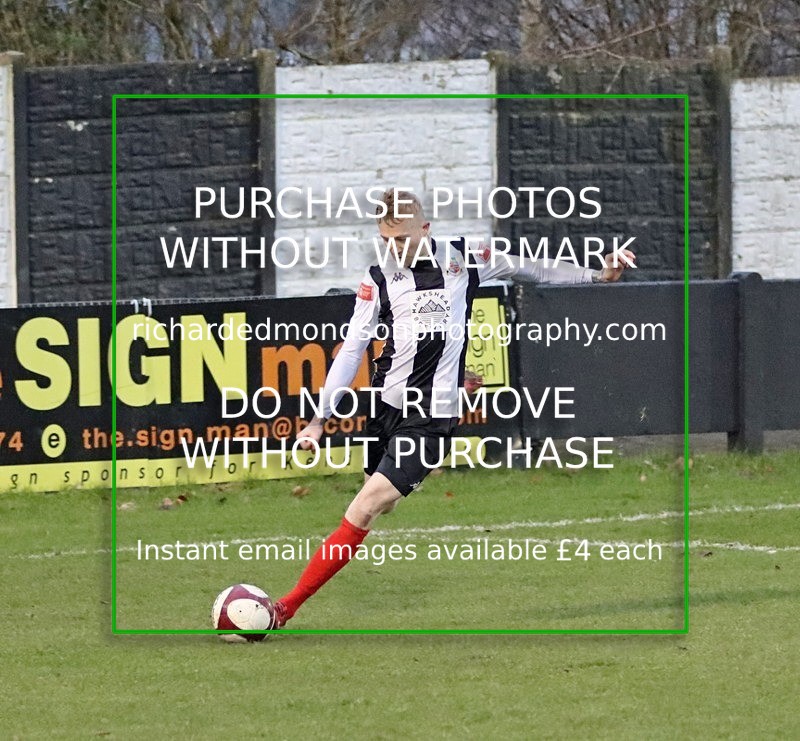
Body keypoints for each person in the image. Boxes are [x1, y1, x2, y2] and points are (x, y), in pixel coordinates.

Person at [272, 188, 635, 627]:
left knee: (364, 508)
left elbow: (534, 269)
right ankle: (400, 482)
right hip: (386, 409)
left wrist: (599, 275)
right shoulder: (377, 280)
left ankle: (283, 608)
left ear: (425, 229)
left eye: (402, 240)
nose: (394, 249)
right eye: (385, 241)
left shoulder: (469, 258)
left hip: (431, 417)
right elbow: (352, 351)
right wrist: (318, 421)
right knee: (380, 502)